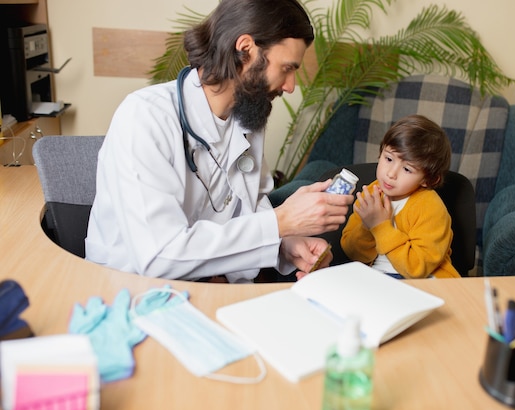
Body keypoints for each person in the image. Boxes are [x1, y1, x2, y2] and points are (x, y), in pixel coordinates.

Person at [85, 0, 353, 283]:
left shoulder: (248, 116)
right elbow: (159, 256)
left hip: (209, 284)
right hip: (129, 288)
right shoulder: (146, 117)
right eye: (286, 68)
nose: (290, 86)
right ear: (246, 49)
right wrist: (280, 222)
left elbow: (246, 209)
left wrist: (284, 246)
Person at [340, 115, 460, 279]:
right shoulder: (373, 193)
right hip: (376, 277)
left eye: (407, 169)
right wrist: (367, 227)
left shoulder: (431, 208)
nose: (391, 174)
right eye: (388, 159)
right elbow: (353, 254)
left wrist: (380, 226)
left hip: (421, 281)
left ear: (429, 179)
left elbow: (416, 268)